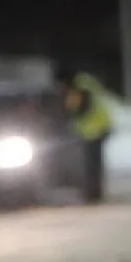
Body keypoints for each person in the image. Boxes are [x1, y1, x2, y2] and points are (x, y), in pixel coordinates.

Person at [53, 65, 111, 202]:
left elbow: (82, 107)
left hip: (96, 128)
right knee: (93, 163)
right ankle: (94, 192)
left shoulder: (80, 87)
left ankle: (94, 194)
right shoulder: (83, 83)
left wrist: (69, 115)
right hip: (96, 127)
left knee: (92, 163)